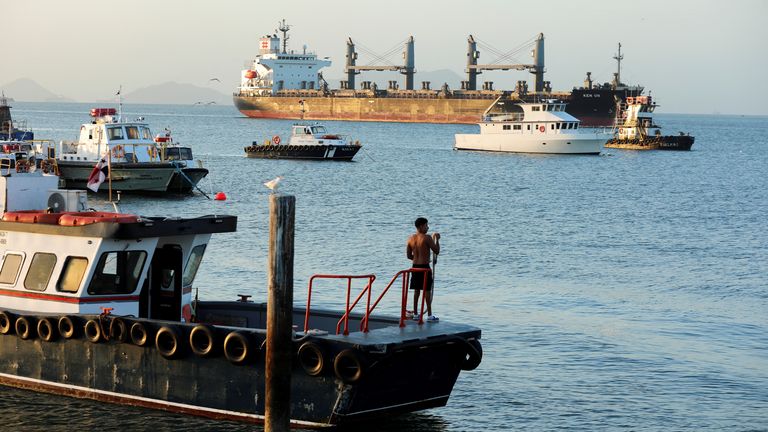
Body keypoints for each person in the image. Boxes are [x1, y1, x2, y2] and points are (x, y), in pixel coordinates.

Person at [406, 217, 440, 322]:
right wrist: (437, 240)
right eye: (426, 225)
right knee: (427, 291)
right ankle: (429, 315)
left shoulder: (410, 238)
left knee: (416, 291)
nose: (428, 227)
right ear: (421, 226)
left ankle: (416, 314)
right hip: (425, 268)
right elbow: (436, 251)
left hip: (415, 267)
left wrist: (416, 259)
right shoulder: (427, 238)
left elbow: (408, 256)